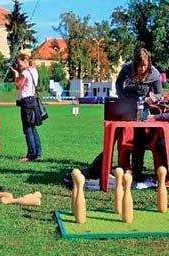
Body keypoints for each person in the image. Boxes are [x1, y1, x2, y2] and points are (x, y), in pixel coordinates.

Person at [66, 48, 163, 185]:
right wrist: (123, 98)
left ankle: (137, 174)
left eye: (145, 65)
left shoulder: (154, 74)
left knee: (139, 142)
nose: (142, 68)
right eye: (139, 65)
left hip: (142, 109)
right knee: (112, 138)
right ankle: (95, 170)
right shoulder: (127, 69)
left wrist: (151, 99)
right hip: (124, 107)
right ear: (135, 64)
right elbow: (118, 83)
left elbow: (159, 93)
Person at [9, 50, 42, 162]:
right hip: (32, 100)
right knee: (33, 128)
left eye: (20, 63)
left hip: (26, 102)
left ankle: (31, 155)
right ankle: (38, 154)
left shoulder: (25, 73)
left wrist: (16, 75)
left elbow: (18, 86)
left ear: (25, 61)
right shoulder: (34, 71)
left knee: (27, 129)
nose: (18, 65)